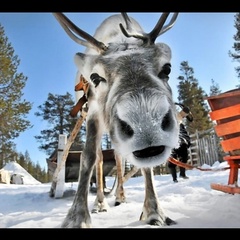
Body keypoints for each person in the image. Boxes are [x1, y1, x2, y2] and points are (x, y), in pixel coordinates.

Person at [168, 104, 192, 183]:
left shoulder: (178, 114)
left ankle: (182, 174)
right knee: (172, 156)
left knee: (183, 153)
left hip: (179, 132)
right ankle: (174, 178)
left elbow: (189, 117)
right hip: (170, 135)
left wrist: (186, 111)